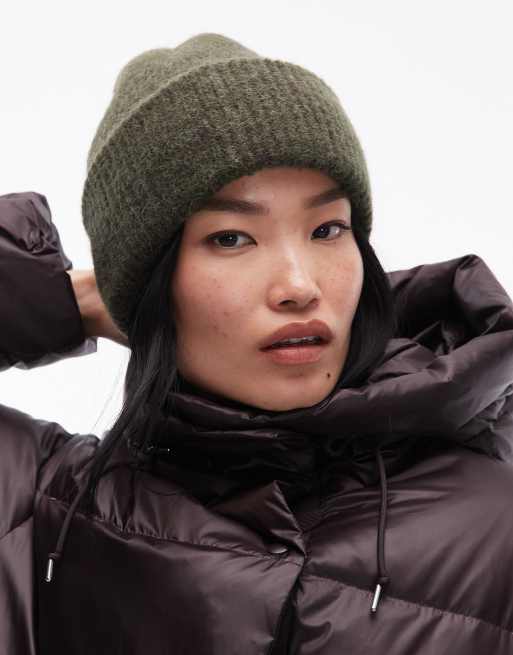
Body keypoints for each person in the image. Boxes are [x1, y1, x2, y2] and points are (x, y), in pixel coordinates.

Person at [1, 32, 513, 655]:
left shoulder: (497, 505)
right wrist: (79, 299)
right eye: (231, 239)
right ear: (154, 281)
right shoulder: (45, 506)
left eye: (328, 229)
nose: (299, 287)